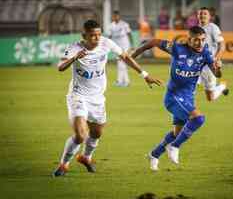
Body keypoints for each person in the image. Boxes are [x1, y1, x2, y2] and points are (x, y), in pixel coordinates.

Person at [53, 20, 161, 177]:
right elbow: (60, 67)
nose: (97, 38)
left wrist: (145, 75)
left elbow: (124, 56)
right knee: (80, 135)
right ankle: (64, 164)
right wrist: (75, 58)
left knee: (96, 133)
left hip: (97, 97)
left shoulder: (106, 43)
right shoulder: (74, 48)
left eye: (99, 34)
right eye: (92, 36)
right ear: (84, 36)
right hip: (78, 96)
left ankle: (86, 157)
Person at [131, 26, 220, 171]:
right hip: (173, 97)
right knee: (198, 119)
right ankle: (174, 147)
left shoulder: (205, 52)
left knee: (177, 133)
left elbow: (217, 75)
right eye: (196, 40)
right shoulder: (177, 49)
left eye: (203, 40)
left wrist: (218, 67)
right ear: (189, 39)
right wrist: (133, 56)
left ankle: (154, 155)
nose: (200, 43)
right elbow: (153, 42)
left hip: (188, 98)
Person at [197, 7, 229, 101]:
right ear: (197, 16)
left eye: (205, 14)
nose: (202, 15)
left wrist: (216, 59)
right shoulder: (195, 29)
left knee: (210, 98)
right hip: (197, 63)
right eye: (200, 13)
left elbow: (222, 45)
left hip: (209, 64)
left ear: (209, 16)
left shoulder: (213, 28)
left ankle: (222, 86)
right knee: (190, 84)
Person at [107, 10, 134, 87]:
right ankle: (126, 81)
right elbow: (109, 37)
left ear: (119, 16)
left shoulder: (124, 24)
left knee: (121, 63)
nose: (115, 17)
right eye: (114, 16)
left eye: (116, 16)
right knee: (122, 64)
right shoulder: (111, 26)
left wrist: (132, 45)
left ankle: (120, 81)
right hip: (117, 47)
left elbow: (129, 34)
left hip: (125, 46)